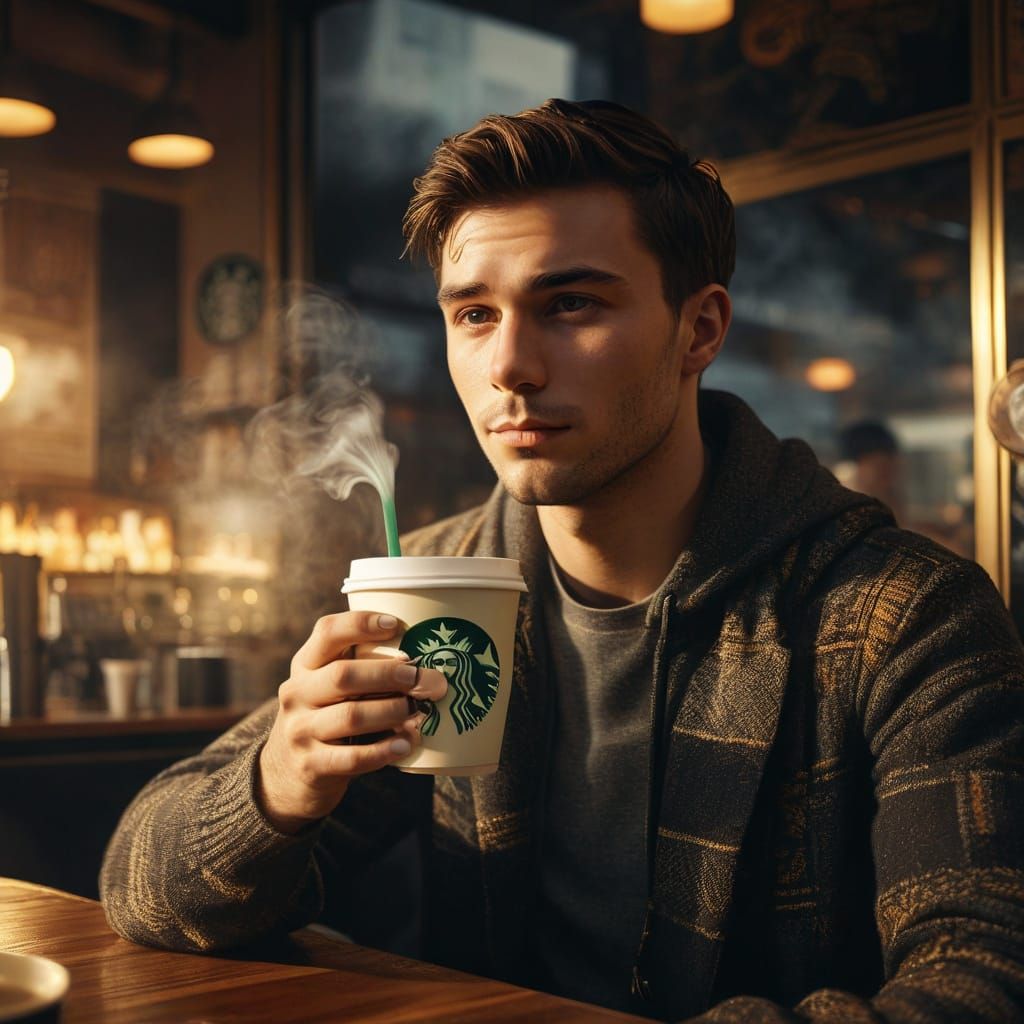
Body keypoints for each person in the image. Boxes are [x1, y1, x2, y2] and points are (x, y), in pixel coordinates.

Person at [100, 99, 1024, 1022]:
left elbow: (981, 982)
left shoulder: (898, 614)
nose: (509, 365)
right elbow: (138, 885)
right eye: (473, 313)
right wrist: (278, 786)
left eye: (570, 303)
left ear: (698, 330)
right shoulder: (437, 579)